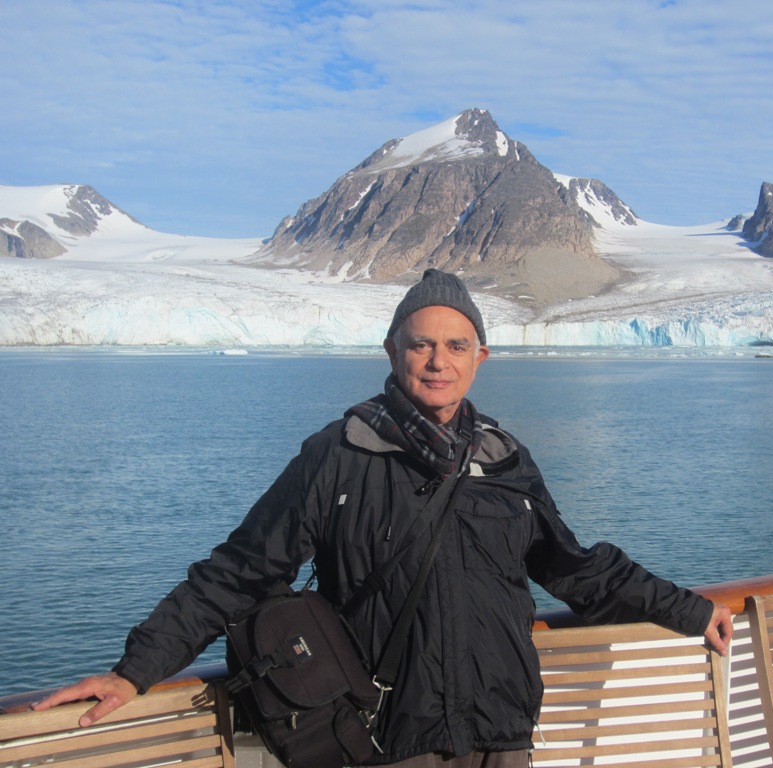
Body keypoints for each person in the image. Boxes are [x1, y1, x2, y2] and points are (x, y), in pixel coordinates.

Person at [34, 269, 733, 767]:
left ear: (480, 358)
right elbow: (241, 572)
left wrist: (689, 610)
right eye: (420, 343)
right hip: (384, 737)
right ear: (393, 352)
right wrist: (136, 669)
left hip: (501, 731)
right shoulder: (340, 454)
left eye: (456, 345)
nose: (438, 361)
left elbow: (574, 569)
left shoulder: (503, 459)